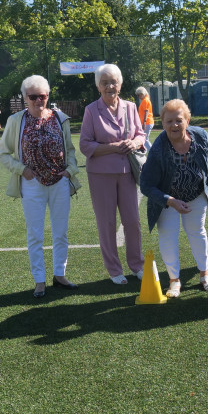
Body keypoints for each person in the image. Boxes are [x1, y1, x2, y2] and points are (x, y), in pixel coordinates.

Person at [0, 75, 80, 298]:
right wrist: (22, 169)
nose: (38, 100)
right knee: (35, 234)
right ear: (25, 97)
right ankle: (39, 280)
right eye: (32, 96)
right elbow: (2, 153)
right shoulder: (16, 120)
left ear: (48, 96)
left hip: (59, 182)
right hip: (31, 184)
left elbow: (70, 150)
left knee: (61, 232)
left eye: (42, 96)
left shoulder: (60, 118)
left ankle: (60, 274)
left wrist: (69, 171)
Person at [140, 99, 208, 297]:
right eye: (169, 121)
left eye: (179, 120)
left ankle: (205, 274)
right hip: (167, 199)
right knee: (168, 236)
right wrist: (169, 200)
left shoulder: (200, 135)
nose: (174, 125)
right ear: (162, 122)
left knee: (197, 232)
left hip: (195, 194)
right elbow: (145, 185)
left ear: (187, 120)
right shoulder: (159, 148)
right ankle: (174, 280)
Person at [79, 63, 146, 284]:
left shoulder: (129, 107)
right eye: (105, 82)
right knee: (107, 223)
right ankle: (115, 270)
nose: (110, 86)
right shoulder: (91, 110)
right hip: (100, 175)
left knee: (133, 221)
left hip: (128, 172)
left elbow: (140, 135)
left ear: (120, 83)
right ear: (98, 86)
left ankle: (137, 265)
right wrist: (114, 147)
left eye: (113, 81)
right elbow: (85, 146)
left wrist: (134, 143)